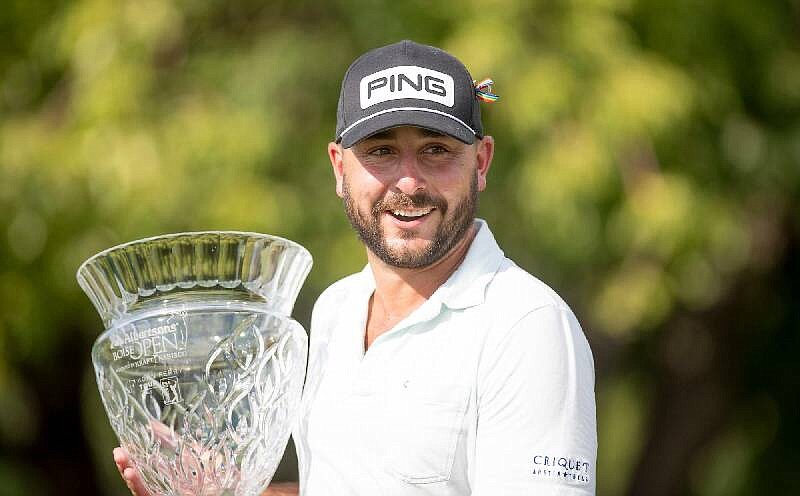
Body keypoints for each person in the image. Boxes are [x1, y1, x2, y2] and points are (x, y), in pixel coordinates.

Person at [114, 39, 597, 496]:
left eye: (437, 150)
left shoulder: (525, 326)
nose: (409, 181)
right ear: (339, 169)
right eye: (381, 151)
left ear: (482, 162)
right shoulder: (335, 310)